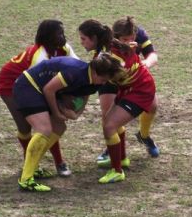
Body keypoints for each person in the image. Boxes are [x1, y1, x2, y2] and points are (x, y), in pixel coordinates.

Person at [13, 54, 123, 191]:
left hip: (40, 90)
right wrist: (58, 113)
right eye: (102, 79)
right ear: (95, 71)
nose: (103, 83)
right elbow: (49, 89)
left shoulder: (94, 80)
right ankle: (26, 180)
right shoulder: (74, 72)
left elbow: (86, 93)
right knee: (44, 129)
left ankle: (33, 168)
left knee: (59, 127)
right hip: (28, 86)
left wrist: (78, 113)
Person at [79, 16, 158, 184]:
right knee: (110, 122)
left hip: (139, 90)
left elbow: (106, 74)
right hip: (131, 87)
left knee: (109, 125)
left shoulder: (109, 56)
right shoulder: (108, 47)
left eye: (83, 39)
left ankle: (117, 171)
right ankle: (120, 159)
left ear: (94, 39)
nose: (81, 42)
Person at [0, 19, 79, 177]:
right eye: (59, 34)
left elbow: (77, 66)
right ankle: (30, 164)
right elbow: (42, 88)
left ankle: (59, 162)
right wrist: (60, 106)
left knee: (51, 124)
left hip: (38, 85)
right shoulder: (40, 56)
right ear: (48, 37)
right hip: (12, 84)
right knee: (25, 127)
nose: (64, 36)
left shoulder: (64, 48)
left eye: (63, 32)